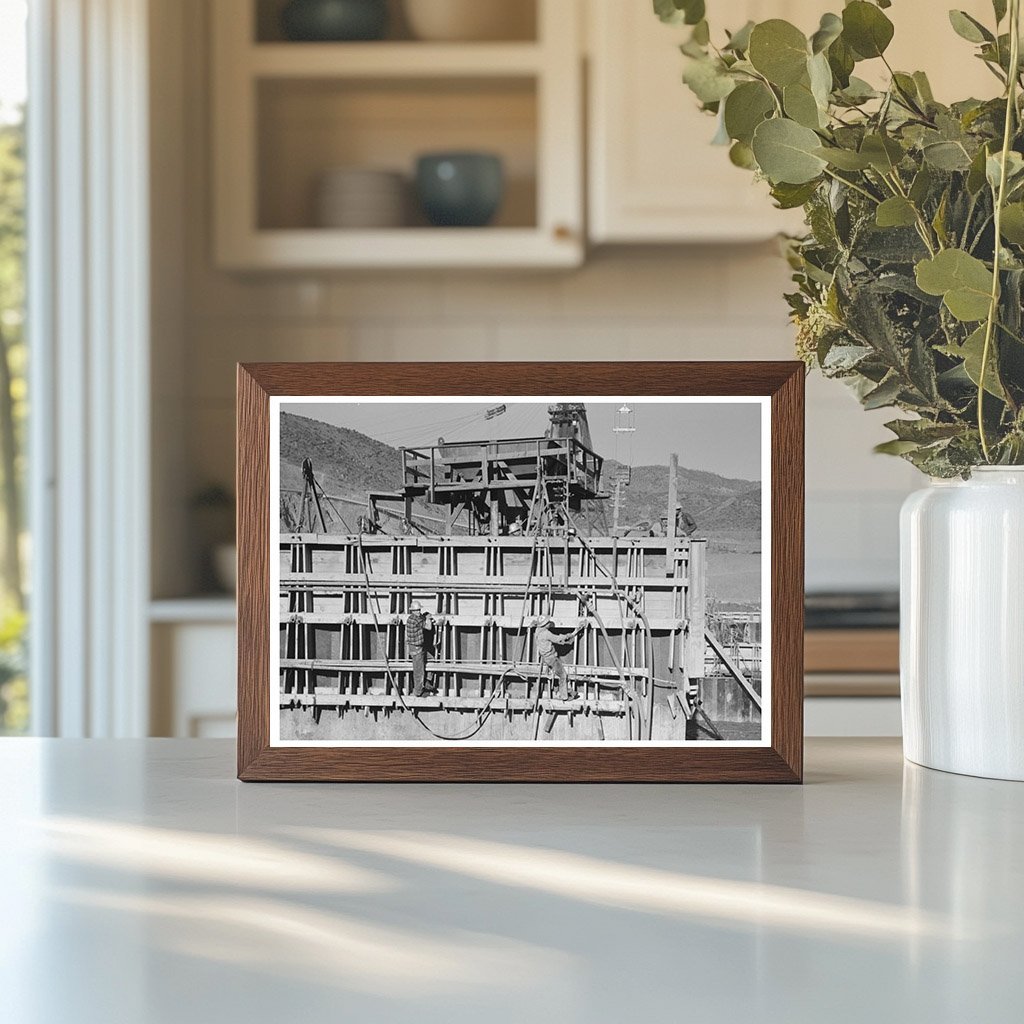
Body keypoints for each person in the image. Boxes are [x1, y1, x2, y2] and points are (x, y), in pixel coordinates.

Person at [534, 615, 586, 700]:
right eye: (548, 623)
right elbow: (558, 639)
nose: (549, 624)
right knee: (563, 675)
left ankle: (569, 690)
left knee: (561, 672)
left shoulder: (538, 630)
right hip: (551, 658)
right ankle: (564, 696)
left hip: (546, 657)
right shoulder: (546, 633)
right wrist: (572, 634)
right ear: (545, 625)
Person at [406, 600, 435, 697]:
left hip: (417, 648)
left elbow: (421, 618)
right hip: (417, 650)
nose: (419, 612)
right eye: (417, 610)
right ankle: (418, 692)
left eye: (419, 610)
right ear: (412, 611)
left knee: (431, 659)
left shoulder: (411, 618)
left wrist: (424, 616)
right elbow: (429, 627)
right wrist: (428, 619)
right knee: (419, 672)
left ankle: (427, 681)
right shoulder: (416, 620)